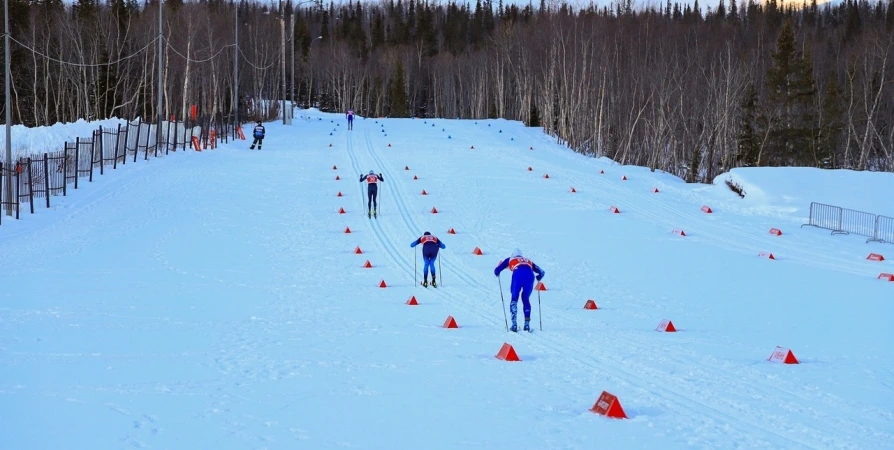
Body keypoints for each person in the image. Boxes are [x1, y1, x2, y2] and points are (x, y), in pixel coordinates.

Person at [494, 249, 545, 332]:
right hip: (530, 276)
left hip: (518, 275)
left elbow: (496, 270)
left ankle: (514, 325)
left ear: (513, 254)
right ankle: (527, 324)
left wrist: (497, 272)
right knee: (525, 299)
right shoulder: (528, 260)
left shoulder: (510, 259)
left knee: (514, 298)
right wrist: (538, 277)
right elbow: (542, 272)